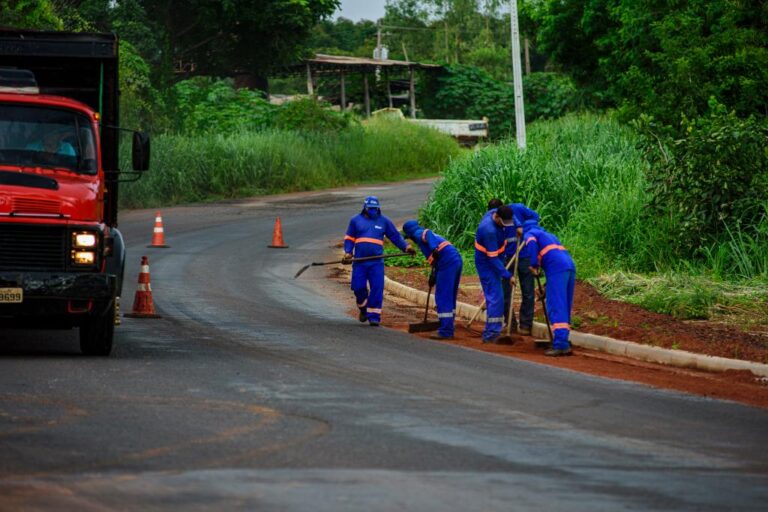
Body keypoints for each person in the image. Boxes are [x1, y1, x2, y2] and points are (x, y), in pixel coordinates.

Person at [343, 196, 415, 326]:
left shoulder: (384, 221)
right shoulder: (355, 220)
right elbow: (349, 238)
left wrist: (406, 247)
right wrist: (348, 252)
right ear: (365, 208)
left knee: (377, 288)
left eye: (375, 209)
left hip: (376, 263)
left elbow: (395, 236)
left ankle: (374, 316)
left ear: (378, 208)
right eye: (370, 209)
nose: (373, 211)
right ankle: (363, 308)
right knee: (358, 288)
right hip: (360, 262)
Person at [521, 220, 576, 356]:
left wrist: (534, 265)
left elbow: (531, 243)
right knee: (564, 304)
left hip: (556, 268)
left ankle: (561, 344)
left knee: (556, 305)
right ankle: (563, 339)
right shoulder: (549, 235)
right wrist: (546, 287)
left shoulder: (530, 234)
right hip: (568, 267)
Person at [402, 220, 463, 340]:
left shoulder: (418, 234)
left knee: (442, 296)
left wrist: (434, 248)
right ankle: (448, 324)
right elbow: (435, 258)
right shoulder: (431, 236)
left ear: (410, 234)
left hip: (447, 263)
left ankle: (446, 330)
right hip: (455, 261)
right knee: (450, 295)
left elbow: (427, 233)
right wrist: (434, 274)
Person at [486, 198, 540, 335]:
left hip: (525, 255)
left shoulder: (518, 208)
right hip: (506, 259)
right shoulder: (494, 223)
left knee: (528, 291)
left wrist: (523, 227)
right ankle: (511, 323)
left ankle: (526, 325)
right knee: (505, 292)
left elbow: (535, 217)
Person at [475, 205, 516, 343]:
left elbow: (511, 218)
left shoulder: (496, 212)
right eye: (503, 223)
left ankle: (493, 331)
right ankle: (491, 334)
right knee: (495, 298)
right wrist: (507, 275)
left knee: (497, 296)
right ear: (497, 217)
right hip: (487, 264)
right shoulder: (489, 231)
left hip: (497, 260)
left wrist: (520, 227)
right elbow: (492, 258)